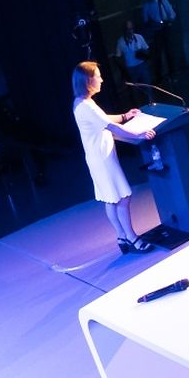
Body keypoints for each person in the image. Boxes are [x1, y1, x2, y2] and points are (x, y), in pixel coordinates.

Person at [71, 62, 155, 254]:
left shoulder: (83, 102)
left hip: (99, 158)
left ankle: (121, 237)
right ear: (87, 81)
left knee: (112, 199)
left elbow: (104, 119)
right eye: (98, 76)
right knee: (123, 197)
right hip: (102, 160)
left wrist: (125, 116)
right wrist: (139, 134)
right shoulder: (86, 106)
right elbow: (111, 127)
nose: (101, 79)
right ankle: (132, 238)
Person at [141, 0, 178, 83]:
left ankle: (172, 74)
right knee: (157, 54)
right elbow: (145, 21)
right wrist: (152, 24)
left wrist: (168, 21)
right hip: (156, 31)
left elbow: (172, 14)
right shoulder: (147, 6)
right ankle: (159, 78)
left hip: (165, 28)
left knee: (169, 52)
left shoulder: (162, 1)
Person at [114, 20, 151, 87]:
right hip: (130, 68)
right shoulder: (120, 41)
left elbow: (147, 50)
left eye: (131, 29)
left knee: (147, 84)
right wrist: (124, 68)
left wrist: (142, 53)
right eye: (128, 29)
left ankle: (150, 97)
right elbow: (117, 57)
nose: (130, 31)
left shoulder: (139, 37)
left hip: (141, 64)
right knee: (134, 87)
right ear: (124, 30)